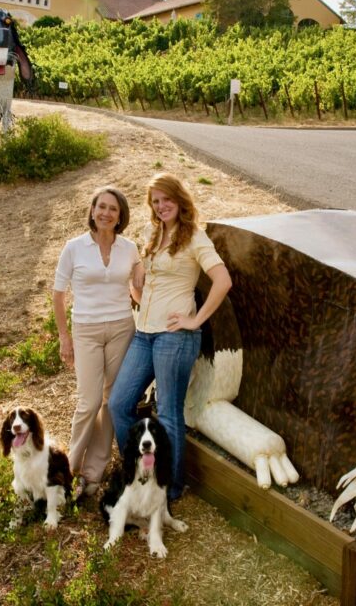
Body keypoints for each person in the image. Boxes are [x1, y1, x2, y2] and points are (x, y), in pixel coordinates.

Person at [108, 173, 232, 501]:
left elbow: (222, 281)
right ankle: (137, 472)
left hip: (175, 338)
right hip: (144, 333)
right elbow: (143, 288)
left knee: (167, 411)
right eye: (156, 201)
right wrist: (135, 287)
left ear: (180, 200)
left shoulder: (195, 237)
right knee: (119, 403)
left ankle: (170, 488)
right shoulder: (152, 235)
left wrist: (195, 320)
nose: (161, 206)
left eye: (167, 199)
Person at [53, 186, 141, 499]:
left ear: (120, 217)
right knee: (87, 402)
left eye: (112, 209)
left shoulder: (130, 248)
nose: (105, 213)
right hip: (86, 329)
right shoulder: (74, 247)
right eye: (100, 207)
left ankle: (93, 473)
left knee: (109, 401)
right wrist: (65, 336)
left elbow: (138, 290)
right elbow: (58, 294)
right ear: (92, 211)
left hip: (121, 327)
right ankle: (67, 470)